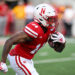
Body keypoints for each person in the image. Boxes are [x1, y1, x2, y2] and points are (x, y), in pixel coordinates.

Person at [0, 3, 65, 75]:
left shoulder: (50, 28)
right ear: (40, 17)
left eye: (53, 18)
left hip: (28, 59)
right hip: (18, 57)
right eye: (50, 18)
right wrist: (3, 62)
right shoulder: (35, 29)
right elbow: (10, 41)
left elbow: (57, 48)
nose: (53, 21)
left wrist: (59, 42)